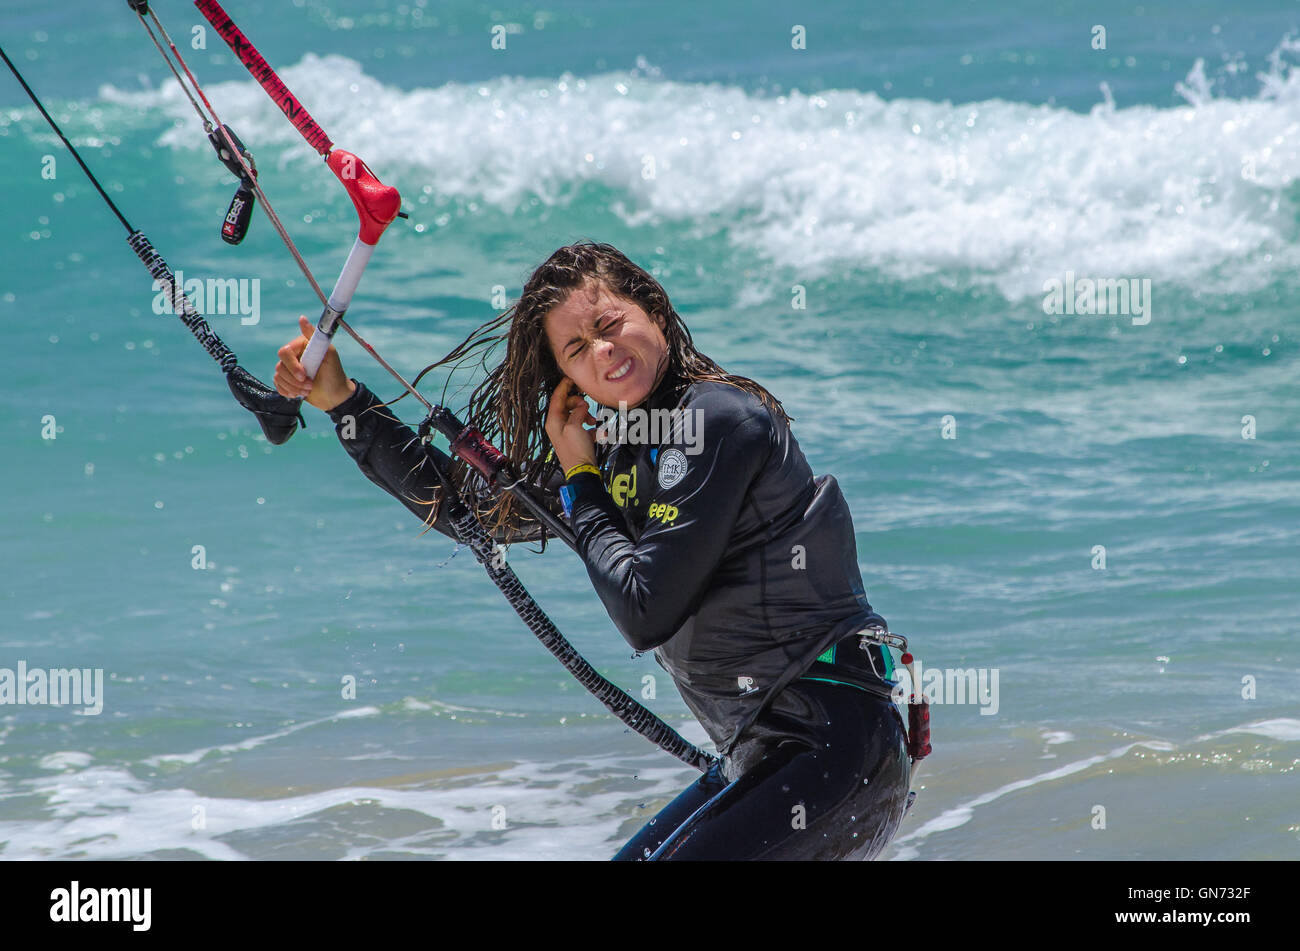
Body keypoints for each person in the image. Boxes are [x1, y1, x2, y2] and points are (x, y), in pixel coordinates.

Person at [274, 241, 911, 860]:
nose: (604, 351)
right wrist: (344, 403)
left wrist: (580, 480)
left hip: (832, 742)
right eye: (577, 348)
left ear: (654, 312)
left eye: (610, 324)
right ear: (568, 380)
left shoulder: (718, 421)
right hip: (766, 755)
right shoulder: (618, 453)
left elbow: (645, 608)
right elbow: (470, 509)